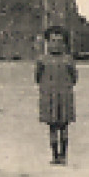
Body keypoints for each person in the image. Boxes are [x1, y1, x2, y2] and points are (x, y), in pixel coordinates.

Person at [36, 26, 78, 165]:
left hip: (64, 96)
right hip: (49, 96)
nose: (56, 44)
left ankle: (63, 155)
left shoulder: (68, 59)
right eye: (53, 41)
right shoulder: (42, 60)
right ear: (47, 43)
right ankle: (54, 155)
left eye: (60, 41)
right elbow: (37, 77)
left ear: (64, 44)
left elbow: (74, 77)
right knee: (52, 126)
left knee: (64, 126)